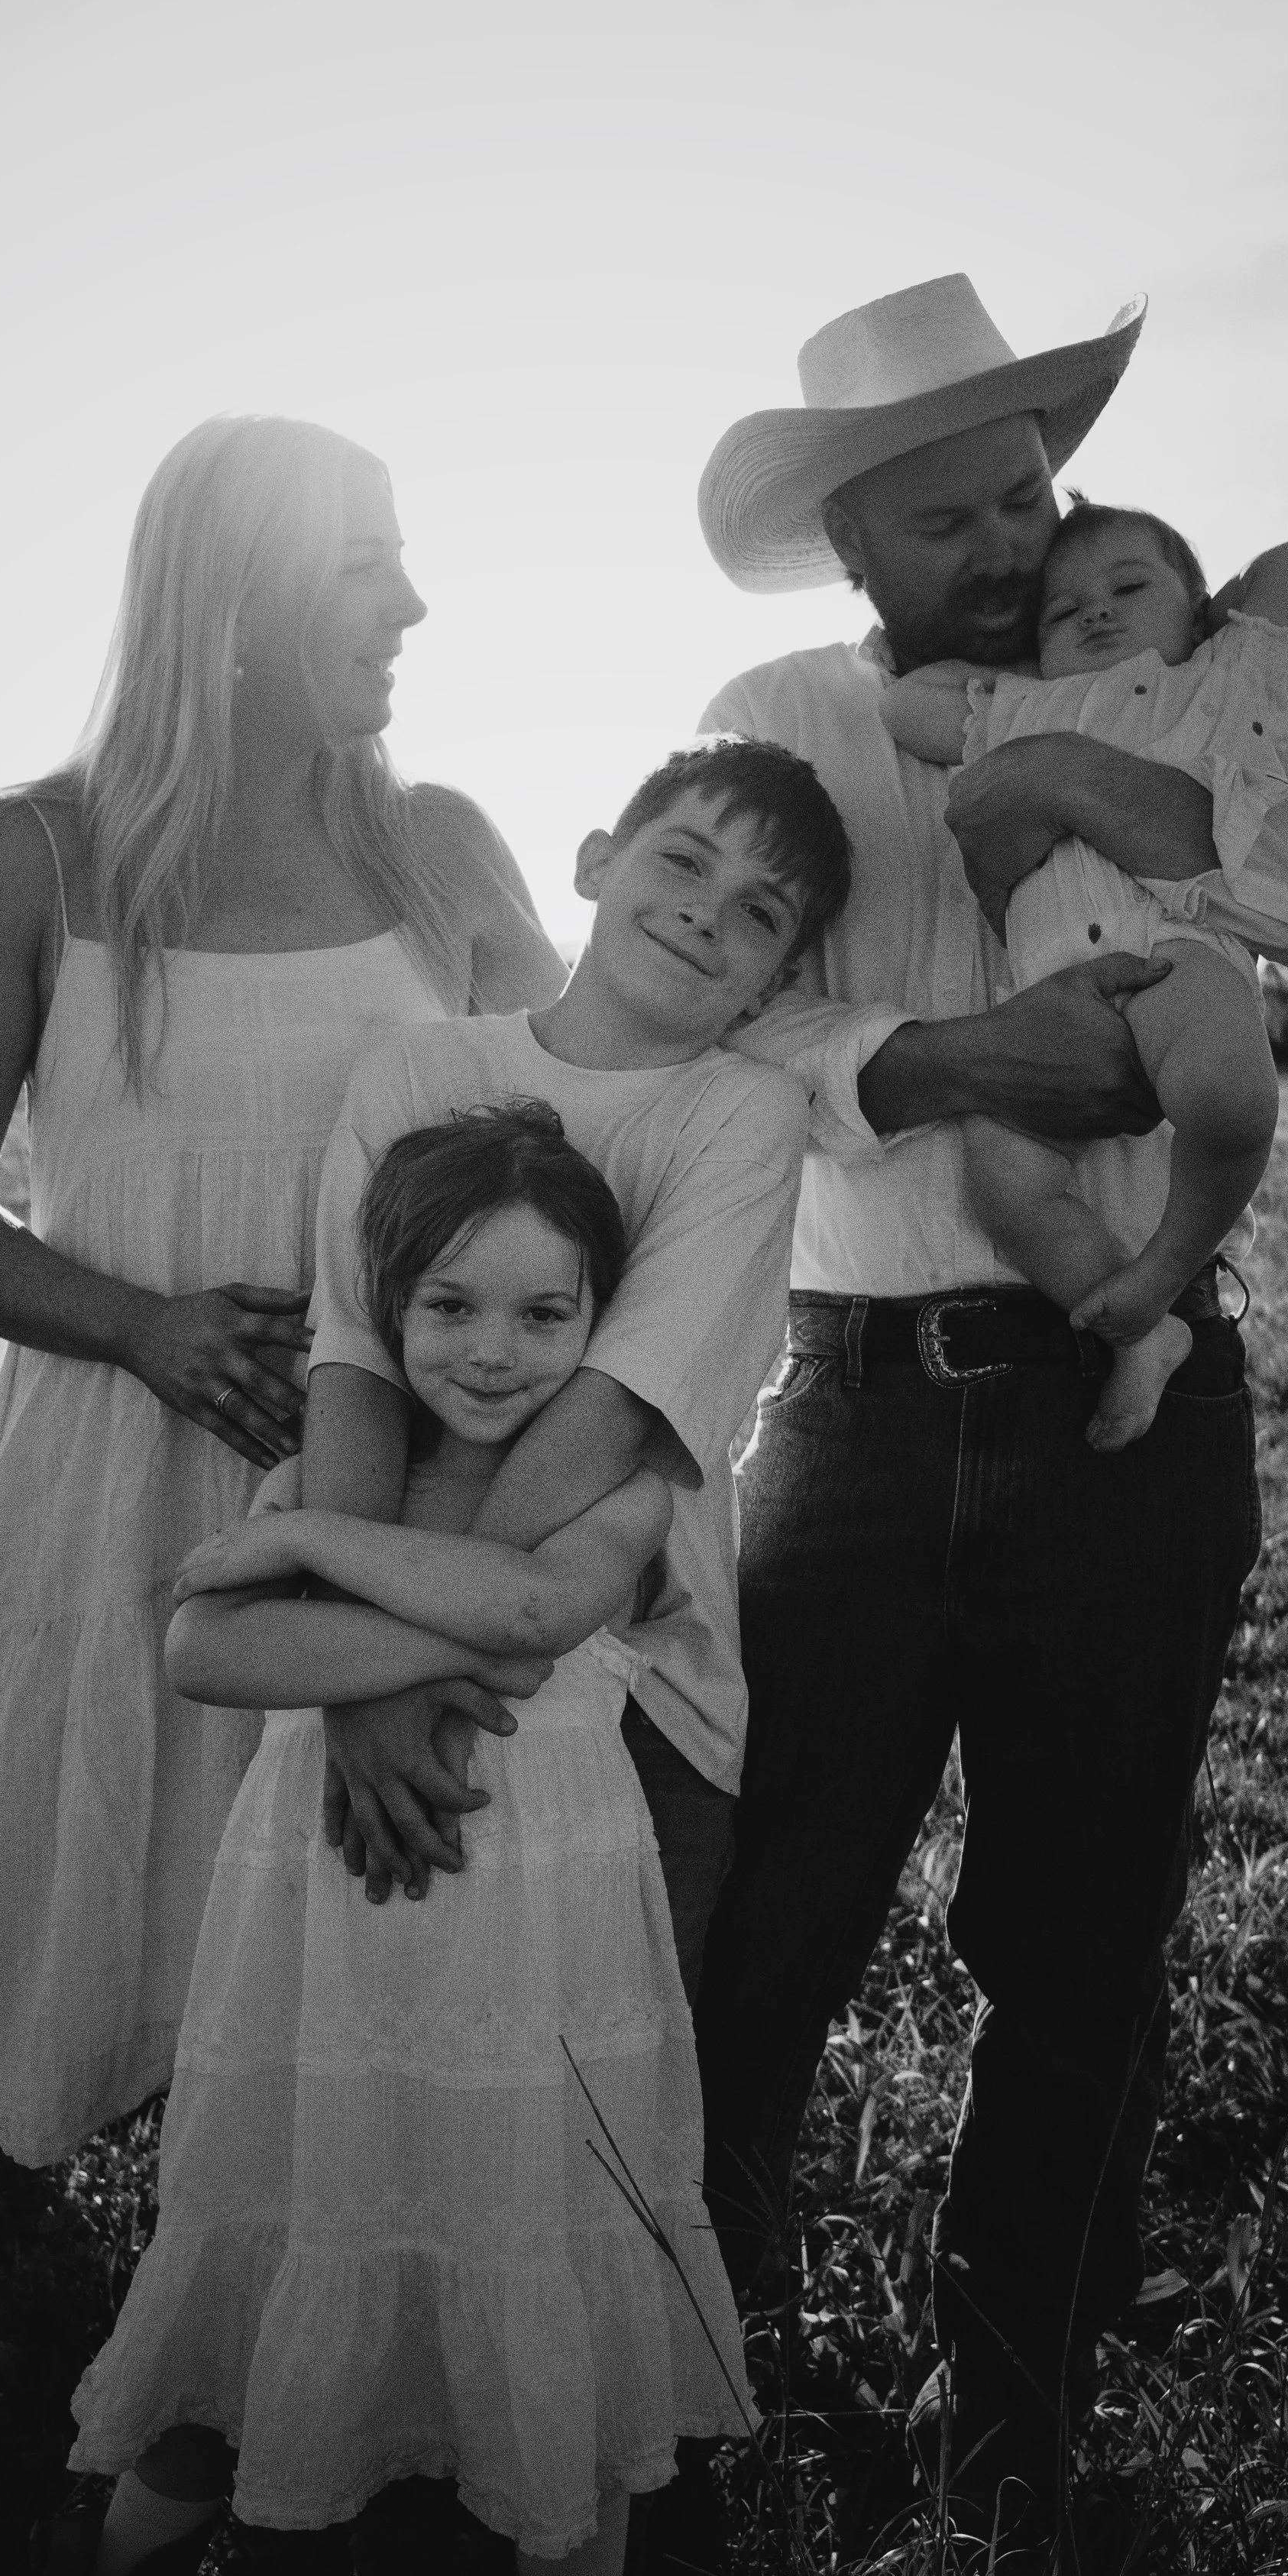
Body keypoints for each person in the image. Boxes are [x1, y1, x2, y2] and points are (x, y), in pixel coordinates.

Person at [0, 414, 565, 2576]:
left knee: (359, 1930)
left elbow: (578, 1145)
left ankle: (324, 2450)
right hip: (101, 1481)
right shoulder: (33, 854)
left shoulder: (440, 844)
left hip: (385, 1489)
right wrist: (151, 1326)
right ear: (236, 598)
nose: (416, 610)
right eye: (369, 568)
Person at [688, 274, 1288, 2558]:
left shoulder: (1171, 688)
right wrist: (928, 1066)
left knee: (1080, 1935)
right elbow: (688, 1006)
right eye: (952, 513)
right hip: (850, 1405)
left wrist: (1113, 784)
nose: (1015, 532)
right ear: (851, 547)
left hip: (1133, 1403)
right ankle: (696, 2369)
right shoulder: (780, 711)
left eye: (1028, 484)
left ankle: (1004, 2409)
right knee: (770, 1921)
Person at [65, 1106, 751, 2576]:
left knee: (533, 2224)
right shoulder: (343, 1461)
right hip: (329, 1925)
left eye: (541, 1312)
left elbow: (538, 1599)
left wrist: (311, 1552)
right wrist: (442, 1613)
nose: (491, 1350)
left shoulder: (634, 1473)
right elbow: (207, 1649)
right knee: (297, 2210)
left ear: (600, 1322)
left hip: (536, 1928)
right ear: (384, 1309)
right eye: (448, 1305)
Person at [296, 736, 862, 2025]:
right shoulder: (419, 1074)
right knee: (391, 2061)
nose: (704, 913)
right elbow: (355, 1364)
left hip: (639, 1686)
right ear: (597, 861)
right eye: (681, 859)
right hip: (373, 1662)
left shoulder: (741, 1115)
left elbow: (615, 1413)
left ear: (782, 973)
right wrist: (358, 1678)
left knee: (607, 2098)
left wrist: (392, 1653)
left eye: (758, 913)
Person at [880, 500, 1288, 1448]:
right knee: (1005, 1186)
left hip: (1175, 953)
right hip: (1047, 993)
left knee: (1228, 1101)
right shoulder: (1021, 709)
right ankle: (1135, 1324)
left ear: (1197, 610)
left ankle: (1166, 1265)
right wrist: (1015, 676)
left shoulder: (1217, 676)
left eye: (1129, 588)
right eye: (1063, 608)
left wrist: (1221, 620)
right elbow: (903, 703)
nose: (1095, 613)